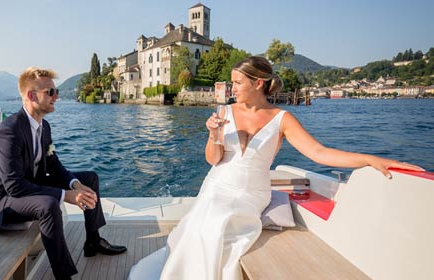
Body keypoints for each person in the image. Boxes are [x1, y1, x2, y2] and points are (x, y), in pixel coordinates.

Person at [128, 56, 423, 280]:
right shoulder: (224, 111)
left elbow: (318, 152)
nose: (232, 89)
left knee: (216, 223)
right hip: (218, 182)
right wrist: (213, 134)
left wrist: (371, 159)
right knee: (204, 222)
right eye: (231, 83)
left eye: (238, 83)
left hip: (251, 192)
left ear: (258, 84)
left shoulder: (283, 119)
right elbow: (213, 159)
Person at [0, 67, 126, 280]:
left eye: (56, 92)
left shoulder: (43, 126)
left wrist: (74, 184)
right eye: (50, 92)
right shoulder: (9, 131)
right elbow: (15, 187)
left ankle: (93, 240)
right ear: (31, 95)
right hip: (3, 202)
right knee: (49, 205)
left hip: (30, 186)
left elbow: (54, 164)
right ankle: (63, 275)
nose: (56, 97)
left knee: (89, 178)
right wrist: (66, 195)